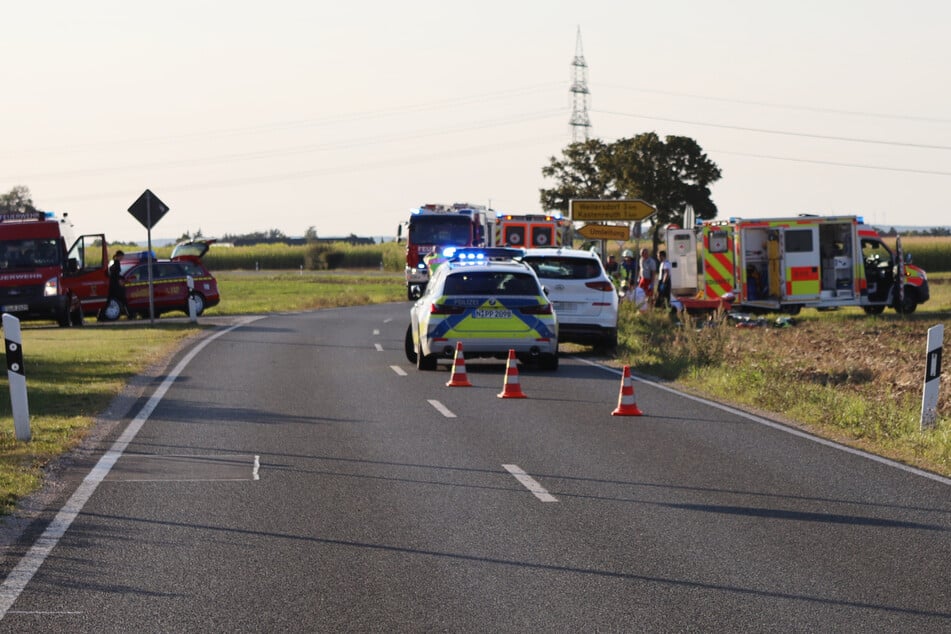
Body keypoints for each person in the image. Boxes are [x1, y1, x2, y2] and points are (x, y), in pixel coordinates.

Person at [107, 250, 127, 316]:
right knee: (122, 297)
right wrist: (122, 278)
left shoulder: (114, 263)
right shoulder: (117, 263)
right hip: (115, 284)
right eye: (122, 257)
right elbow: (115, 275)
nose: (122, 258)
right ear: (119, 256)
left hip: (112, 284)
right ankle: (128, 313)